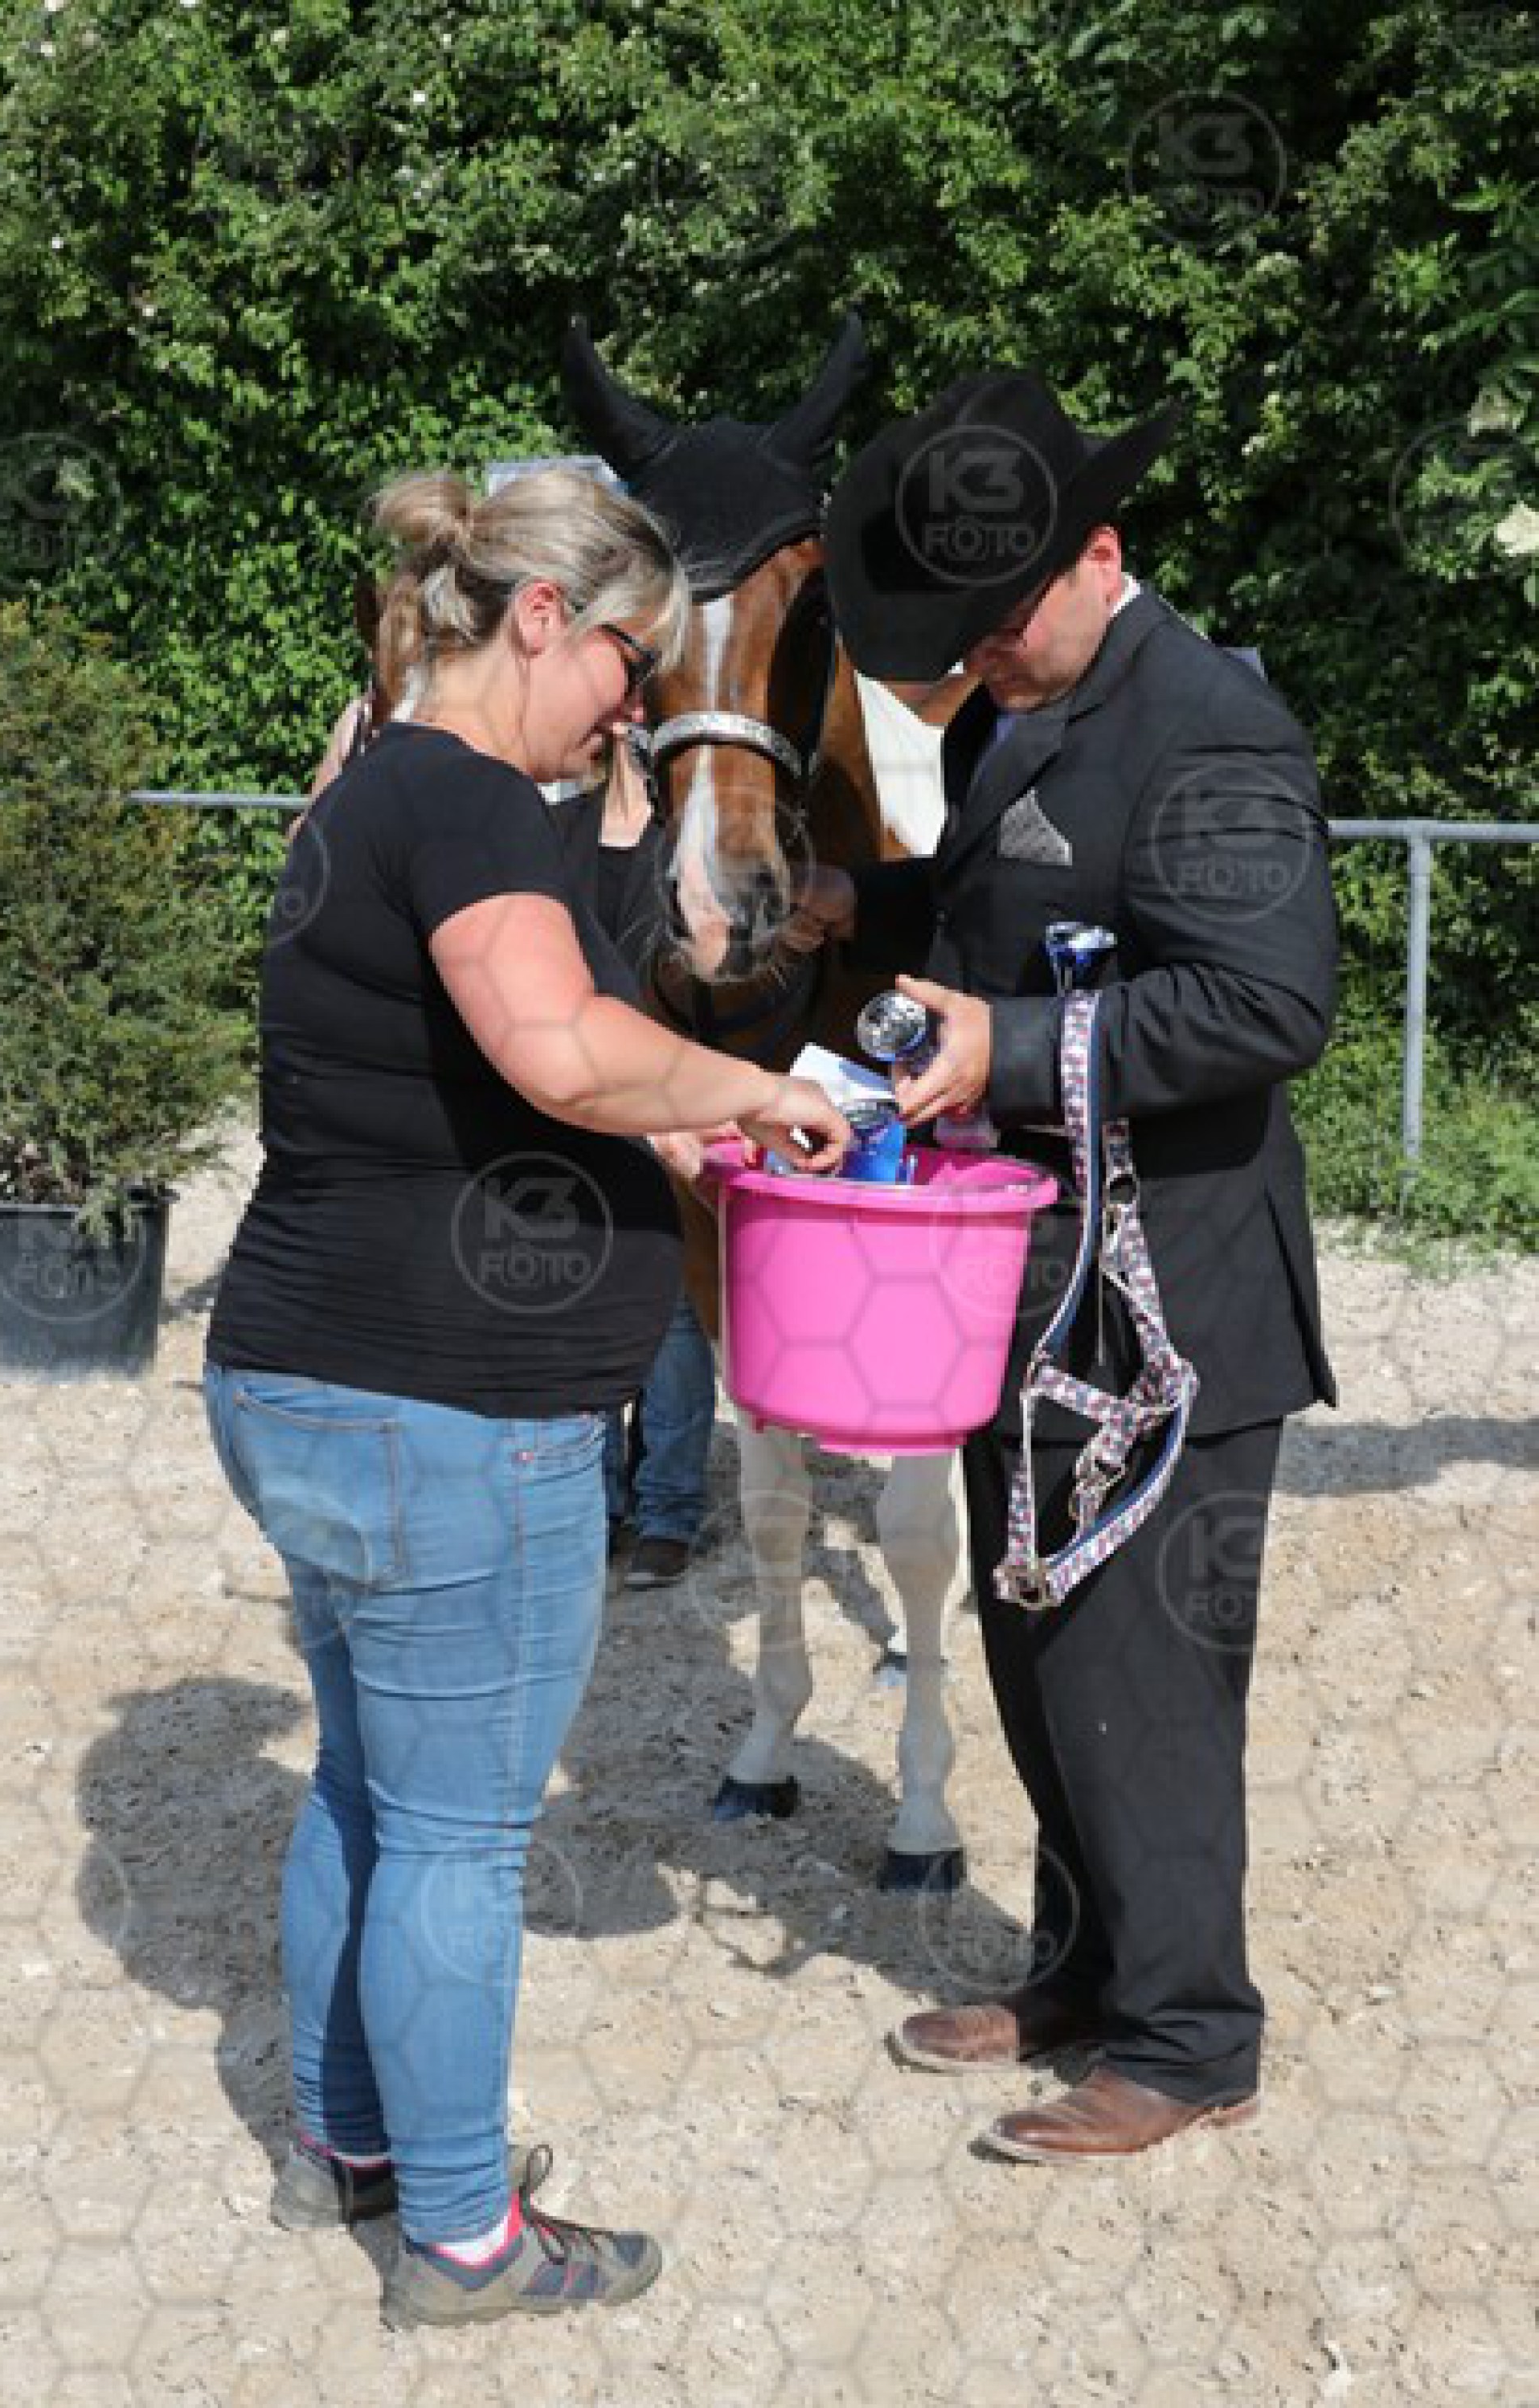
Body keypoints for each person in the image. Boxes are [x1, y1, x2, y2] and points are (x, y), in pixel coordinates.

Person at [203, 464, 848, 2328]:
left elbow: (506, 1039)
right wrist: (756, 1091)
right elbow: (558, 1048)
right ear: (544, 618)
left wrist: (672, 1104)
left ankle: (350, 2143)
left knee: (367, 1786)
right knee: (460, 1836)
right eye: (629, 664)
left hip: (303, 1373)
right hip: (439, 1412)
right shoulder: (471, 800)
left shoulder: (372, 791)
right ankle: (467, 2239)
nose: (631, 707)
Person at [794, 369, 1339, 2161]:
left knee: (1145, 1672)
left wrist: (1007, 1050)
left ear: (1102, 553)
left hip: (1174, 1302)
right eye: (953, 634)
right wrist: (863, 911)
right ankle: (1088, 1971)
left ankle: (1191, 2036)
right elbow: (1005, 912)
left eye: (997, 623)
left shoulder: (1213, 730)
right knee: (1043, 1651)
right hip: (1030, 1285)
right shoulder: (1028, 707)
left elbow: (1267, 1003)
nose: (976, 658)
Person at [550, 730, 717, 1589]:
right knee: (586, 1299)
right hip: (579, 1091)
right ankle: (599, 1501)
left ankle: (669, 1510)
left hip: (667, 1090)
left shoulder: (692, 838)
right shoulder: (558, 829)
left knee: (674, 1313)